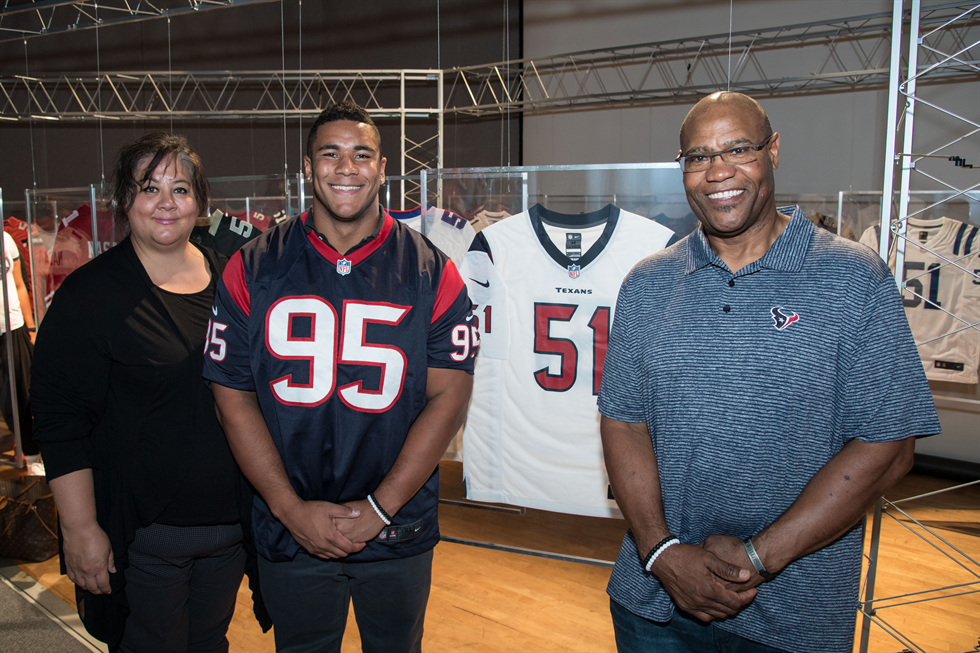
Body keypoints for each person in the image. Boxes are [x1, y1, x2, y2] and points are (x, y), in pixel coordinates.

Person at [597, 91, 940, 653]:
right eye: (698, 156)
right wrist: (660, 552)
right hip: (653, 601)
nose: (718, 172)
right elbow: (624, 423)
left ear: (774, 151)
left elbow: (888, 445)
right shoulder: (648, 283)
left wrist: (759, 557)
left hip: (793, 616)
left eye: (738, 149)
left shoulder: (854, 279)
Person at [203, 100, 478, 653]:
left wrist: (381, 508)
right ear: (308, 167)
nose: (346, 168)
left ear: (382, 167)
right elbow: (230, 397)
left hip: (398, 525)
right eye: (330, 154)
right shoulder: (251, 265)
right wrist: (288, 508)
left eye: (361, 155)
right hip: (292, 524)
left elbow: (450, 399)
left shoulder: (433, 270)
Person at [31, 132, 268, 652]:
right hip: (144, 537)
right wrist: (80, 528)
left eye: (180, 189)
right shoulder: (90, 295)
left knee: (210, 643)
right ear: (124, 201)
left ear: (200, 203)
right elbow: (60, 421)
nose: (166, 203)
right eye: (149, 188)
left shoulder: (233, 279)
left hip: (229, 531)